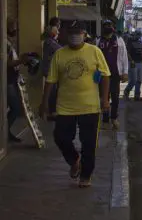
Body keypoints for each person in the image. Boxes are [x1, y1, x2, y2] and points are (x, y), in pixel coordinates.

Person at [39, 20, 111, 188]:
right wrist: (44, 103)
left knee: (89, 143)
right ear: (64, 34)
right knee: (60, 137)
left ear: (84, 35)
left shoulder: (94, 52)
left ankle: (85, 176)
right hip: (65, 107)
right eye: (71, 32)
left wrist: (105, 99)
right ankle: (74, 159)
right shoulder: (60, 54)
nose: (74, 36)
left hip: (90, 106)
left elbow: (105, 75)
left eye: (78, 32)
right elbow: (50, 80)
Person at [94, 20, 128, 130]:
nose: (108, 27)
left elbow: (124, 57)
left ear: (113, 27)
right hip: (102, 74)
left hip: (115, 73)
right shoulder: (98, 41)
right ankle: (105, 119)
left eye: (109, 25)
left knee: (115, 96)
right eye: (105, 26)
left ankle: (114, 118)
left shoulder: (119, 40)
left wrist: (124, 72)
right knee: (104, 97)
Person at [6, 19, 29, 143]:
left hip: (12, 79)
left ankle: (6, 132)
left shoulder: (9, 42)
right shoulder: (5, 43)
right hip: (7, 80)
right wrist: (21, 61)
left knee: (13, 107)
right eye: (13, 27)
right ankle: (5, 132)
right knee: (15, 108)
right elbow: (6, 63)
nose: (15, 30)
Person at [42, 17, 63, 120]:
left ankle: (52, 111)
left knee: (53, 90)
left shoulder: (49, 39)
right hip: (49, 68)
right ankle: (51, 112)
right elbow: (57, 48)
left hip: (50, 67)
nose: (59, 28)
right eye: (58, 24)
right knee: (52, 91)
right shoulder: (49, 40)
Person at [123, 32, 142, 102]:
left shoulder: (139, 42)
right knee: (133, 80)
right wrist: (131, 61)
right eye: (137, 35)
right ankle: (126, 92)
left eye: (139, 35)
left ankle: (137, 96)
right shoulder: (130, 42)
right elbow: (127, 52)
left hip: (139, 62)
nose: (138, 36)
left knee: (139, 81)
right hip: (133, 63)